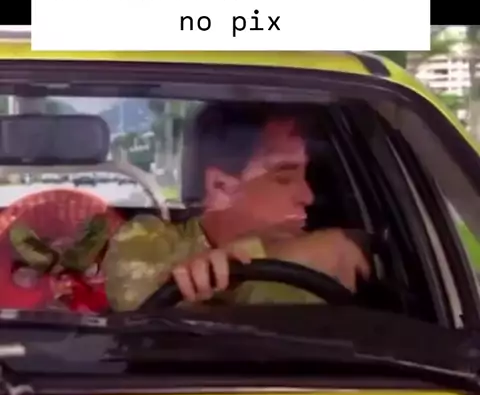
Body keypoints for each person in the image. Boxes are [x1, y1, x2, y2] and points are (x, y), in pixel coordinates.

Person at [102, 101, 370, 311]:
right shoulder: (148, 238)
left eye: (306, 176)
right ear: (220, 186)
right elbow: (136, 299)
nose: (308, 196)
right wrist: (252, 260)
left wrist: (353, 243)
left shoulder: (329, 245)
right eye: (284, 178)